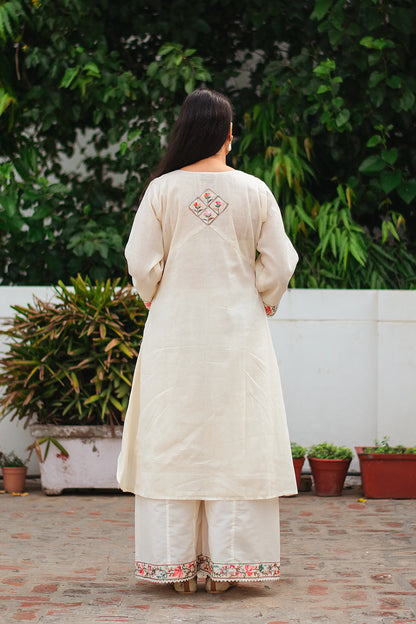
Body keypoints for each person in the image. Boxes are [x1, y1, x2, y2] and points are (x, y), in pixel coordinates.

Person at [117, 88, 299, 594]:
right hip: (239, 336)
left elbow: (139, 261)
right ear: (227, 134)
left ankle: (175, 569)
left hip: (174, 336)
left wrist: (156, 293)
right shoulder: (255, 190)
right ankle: (229, 569)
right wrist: (262, 297)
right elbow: (282, 261)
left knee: (173, 441)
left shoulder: (161, 190)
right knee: (236, 442)